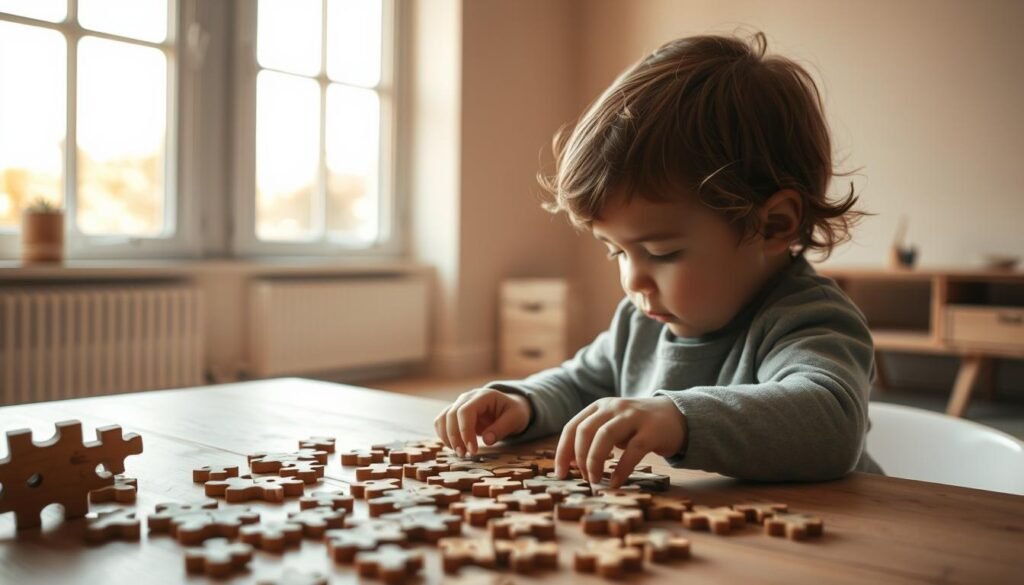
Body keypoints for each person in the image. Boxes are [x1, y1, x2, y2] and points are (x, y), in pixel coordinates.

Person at [435, 31, 882, 487]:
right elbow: (581, 385)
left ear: (772, 225)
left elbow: (831, 420)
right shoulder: (641, 321)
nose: (634, 281)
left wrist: (678, 418)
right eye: (617, 252)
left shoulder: (810, 318)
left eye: (661, 253)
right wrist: (523, 403)